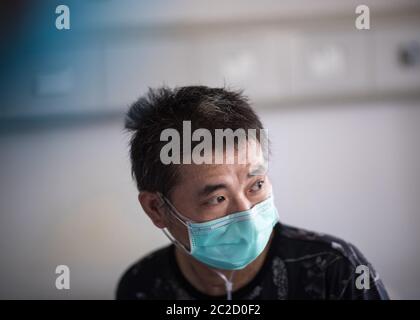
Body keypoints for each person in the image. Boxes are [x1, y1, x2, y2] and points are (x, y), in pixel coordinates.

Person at [116, 86, 389, 300]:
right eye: (218, 199)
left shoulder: (334, 270)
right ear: (156, 208)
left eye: (255, 185)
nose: (246, 214)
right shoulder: (143, 286)